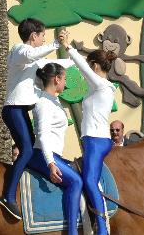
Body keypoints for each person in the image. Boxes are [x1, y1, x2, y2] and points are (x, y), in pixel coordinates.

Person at [0, 18, 61, 219]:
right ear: (33, 35)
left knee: (31, 148)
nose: (44, 40)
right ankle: (8, 196)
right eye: (42, 36)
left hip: (19, 110)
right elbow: (32, 53)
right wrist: (56, 44)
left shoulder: (33, 59)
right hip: (13, 109)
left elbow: (54, 65)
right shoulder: (19, 50)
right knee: (26, 149)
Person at [63, 31, 117, 235]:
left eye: (90, 65)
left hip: (96, 140)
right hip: (94, 140)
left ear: (95, 66)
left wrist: (69, 47)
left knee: (89, 181)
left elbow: (83, 69)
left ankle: (103, 229)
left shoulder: (101, 84)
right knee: (89, 180)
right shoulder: (99, 88)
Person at [28, 62, 83, 235]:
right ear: (56, 79)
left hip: (53, 155)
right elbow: (43, 135)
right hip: (43, 155)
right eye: (64, 79)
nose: (65, 83)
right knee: (76, 182)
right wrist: (51, 164)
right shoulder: (44, 102)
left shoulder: (54, 100)